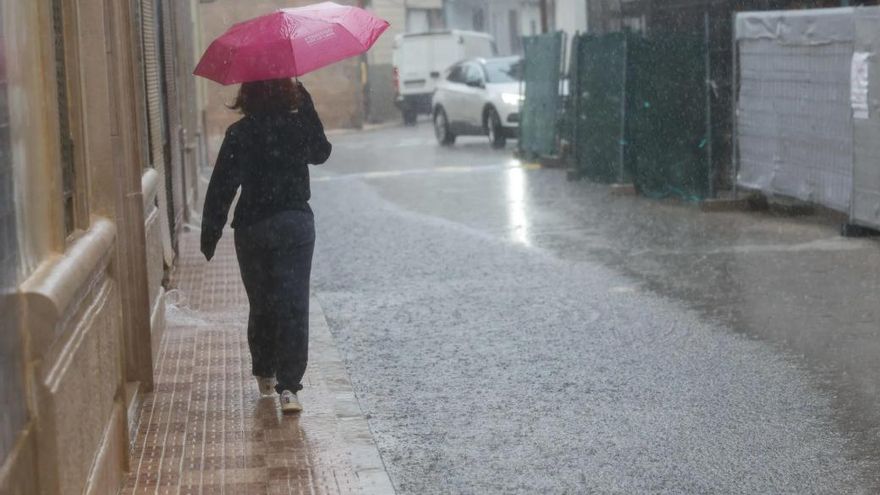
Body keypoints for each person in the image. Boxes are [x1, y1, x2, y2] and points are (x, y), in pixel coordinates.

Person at [200, 78, 331, 414]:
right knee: (293, 304)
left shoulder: (240, 133)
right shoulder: (297, 126)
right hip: (295, 223)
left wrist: (210, 232)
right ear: (287, 92)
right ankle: (290, 388)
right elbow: (321, 152)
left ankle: (265, 372)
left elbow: (222, 186)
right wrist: (307, 103)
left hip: (253, 228)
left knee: (263, 303)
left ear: (247, 94)